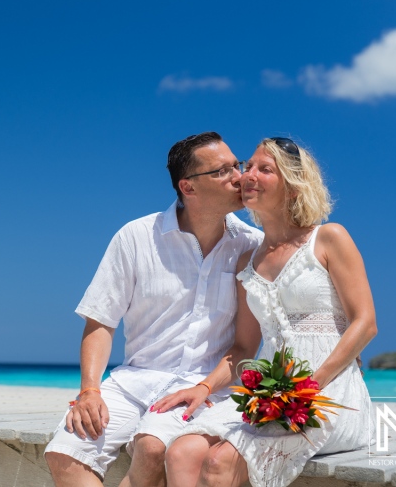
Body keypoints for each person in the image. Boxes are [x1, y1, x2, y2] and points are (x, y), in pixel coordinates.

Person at [44, 132, 264, 487]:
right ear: (188, 187)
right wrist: (89, 390)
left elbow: (244, 346)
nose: (239, 176)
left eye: (236, 165)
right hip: (134, 381)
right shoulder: (136, 236)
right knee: (65, 452)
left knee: (150, 450)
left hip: (206, 387)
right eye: (222, 171)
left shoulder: (251, 246)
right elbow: (100, 320)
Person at [159, 137, 377, 487]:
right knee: (181, 451)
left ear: (293, 186)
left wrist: (309, 386)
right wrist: (204, 386)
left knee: (219, 461)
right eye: (248, 166)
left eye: (265, 169)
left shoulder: (329, 238)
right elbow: (244, 348)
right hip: (267, 393)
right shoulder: (248, 261)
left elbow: (365, 324)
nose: (247, 175)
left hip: (329, 391)